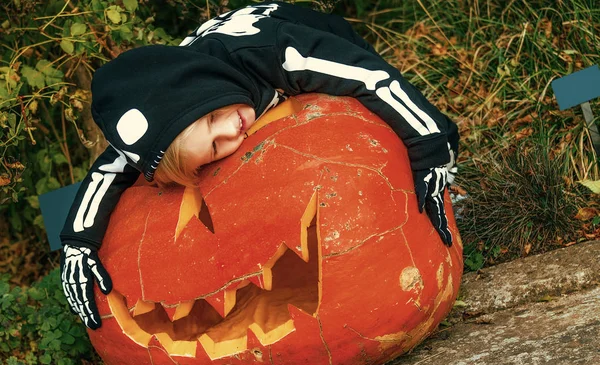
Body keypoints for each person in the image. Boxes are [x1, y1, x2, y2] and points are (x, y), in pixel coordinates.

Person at [60, 1, 460, 330]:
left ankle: (448, 181)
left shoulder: (273, 51)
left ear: (202, 92)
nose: (231, 135)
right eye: (215, 150)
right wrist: (77, 244)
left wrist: (432, 155)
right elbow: (109, 170)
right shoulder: (159, 132)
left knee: (391, 114)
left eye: (213, 120)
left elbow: (373, 79)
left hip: (309, 37)